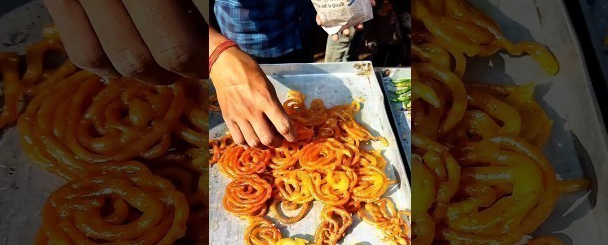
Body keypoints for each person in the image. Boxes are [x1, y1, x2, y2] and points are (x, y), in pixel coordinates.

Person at [43, 0, 371, 148]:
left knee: (293, 59)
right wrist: (218, 55)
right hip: (254, 25)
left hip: (295, 13)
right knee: (265, 80)